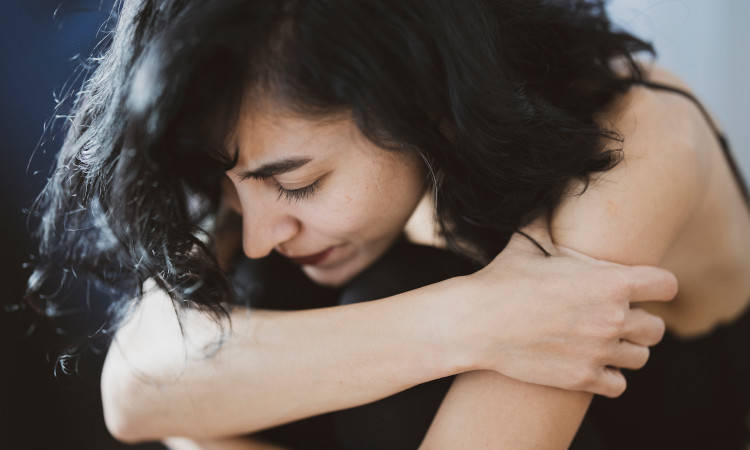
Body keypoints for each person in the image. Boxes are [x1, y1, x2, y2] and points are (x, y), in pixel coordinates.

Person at [25, 0, 749, 448]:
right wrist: (471, 319)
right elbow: (133, 385)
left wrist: (206, 422)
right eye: (231, 190)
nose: (255, 229)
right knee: (246, 298)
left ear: (418, 94)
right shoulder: (256, 137)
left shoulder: (638, 140)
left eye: (301, 184)